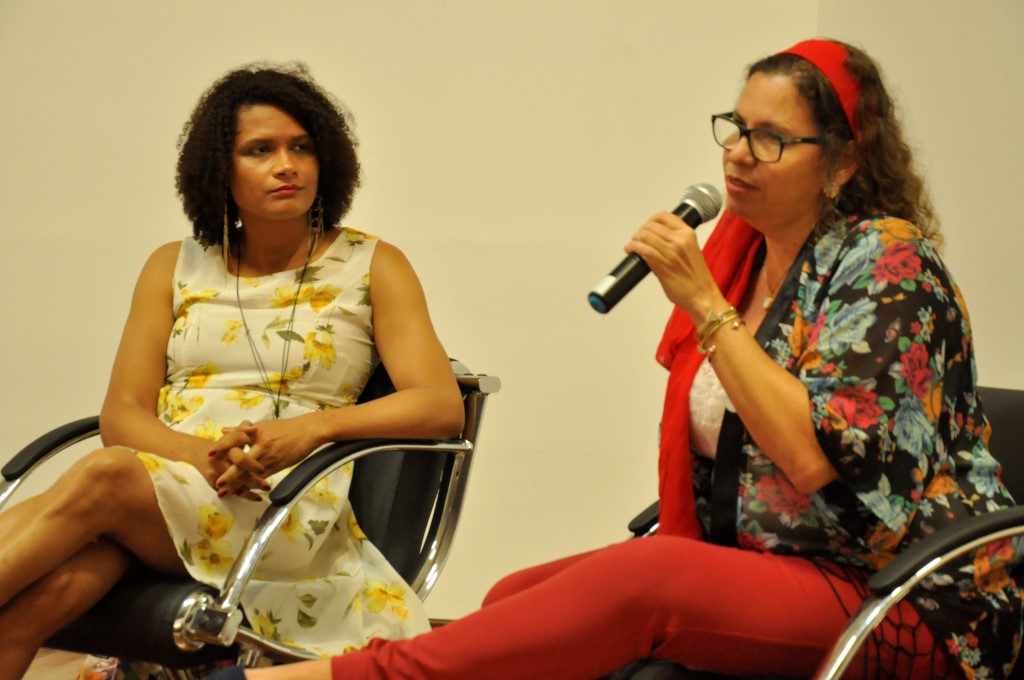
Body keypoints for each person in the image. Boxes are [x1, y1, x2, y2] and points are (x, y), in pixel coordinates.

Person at [207, 39, 1020, 680]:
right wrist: (716, 300)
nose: (738, 154)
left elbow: (811, 460)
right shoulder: (750, 262)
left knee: (643, 583)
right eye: (735, 128)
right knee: (514, 597)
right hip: (774, 562)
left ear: (843, 162)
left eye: (772, 139)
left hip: (903, 590)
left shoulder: (887, 262)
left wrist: (704, 306)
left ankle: (337, 678)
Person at [0, 63, 464, 678]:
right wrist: (203, 458)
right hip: (165, 485)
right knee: (33, 608)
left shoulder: (372, 264)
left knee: (106, 473)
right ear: (220, 169)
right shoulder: (173, 265)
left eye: (301, 147)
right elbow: (123, 414)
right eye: (260, 150)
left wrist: (310, 430)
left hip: (282, 504)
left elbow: (439, 404)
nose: (287, 165)